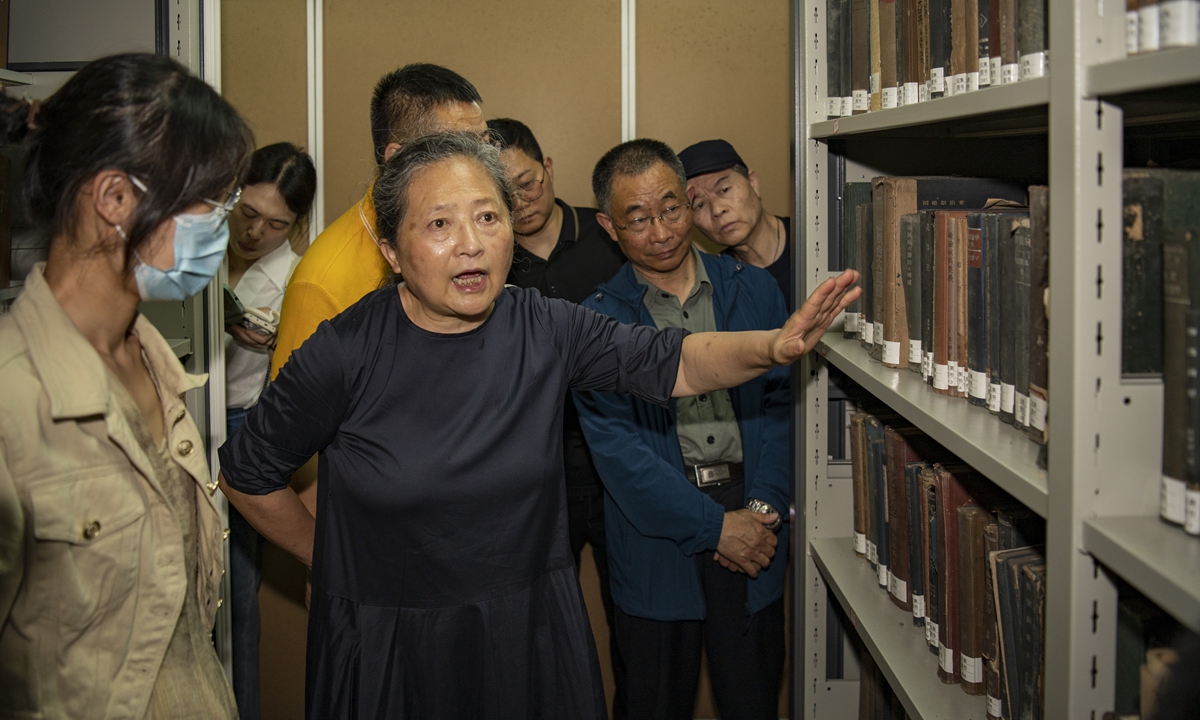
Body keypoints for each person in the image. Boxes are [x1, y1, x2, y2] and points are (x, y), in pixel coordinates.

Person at [216, 132, 859, 718]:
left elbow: (675, 362)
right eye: (439, 223)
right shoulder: (346, 350)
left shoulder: (543, 325)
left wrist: (772, 347)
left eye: (488, 218)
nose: (470, 242)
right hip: (395, 639)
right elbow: (247, 473)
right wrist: (332, 560)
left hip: (528, 633)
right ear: (391, 248)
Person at [0, 53, 252, 719]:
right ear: (116, 199)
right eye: (209, 204)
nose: (220, 232)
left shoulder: (153, 365)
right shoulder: (14, 398)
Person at [576, 138, 794, 720]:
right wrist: (714, 528)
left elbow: (780, 405)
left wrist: (765, 507)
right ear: (608, 226)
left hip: (753, 526)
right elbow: (619, 455)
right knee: (652, 703)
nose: (662, 231)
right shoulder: (596, 322)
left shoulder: (753, 289)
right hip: (658, 541)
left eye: (673, 208)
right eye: (638, 219)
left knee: (752, 700)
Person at [487, 116, 627, 705]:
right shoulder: (489, 259)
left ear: (548, 168)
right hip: (534, 468)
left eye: (528, 183)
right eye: (504, 193)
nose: (521, 203)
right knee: (537, 626)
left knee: (636, 618)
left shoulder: (607, 239)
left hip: (622, 454)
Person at [223, 141, 316, 720]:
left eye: (276, 224)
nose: (255, 232)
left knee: (233, 597)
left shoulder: (295, 279)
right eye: (247, 213)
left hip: (239, 424)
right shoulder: (192, 246)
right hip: (167, 414)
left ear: (296, 224)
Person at [680, 139, 793, 307]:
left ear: (753, 182)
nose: (717, 210)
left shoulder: (817, 242)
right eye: (700, 205)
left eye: (724, 190)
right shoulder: (716, 282)